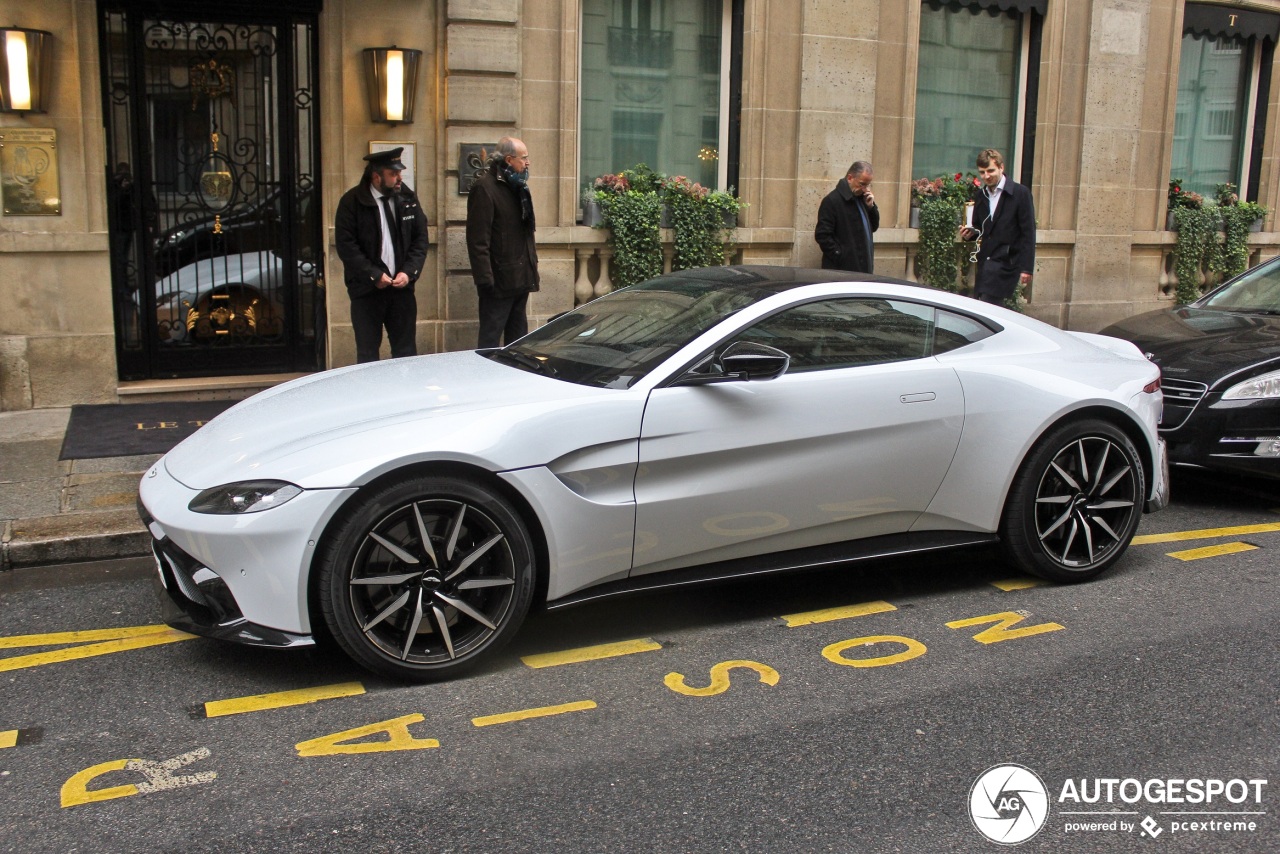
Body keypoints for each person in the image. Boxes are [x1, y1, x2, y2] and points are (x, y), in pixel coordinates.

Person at [334, 147, 429, 362]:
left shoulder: (407, 198)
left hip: (401, 290)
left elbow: (420, 239)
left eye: (400, 173)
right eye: (393, 174)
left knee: (405, 353)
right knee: (368, 354)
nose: (399, 179)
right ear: (376, 177)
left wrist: (409, 272)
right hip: (367, 292)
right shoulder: (351, 203)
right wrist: (373, 275)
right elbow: (347, 246)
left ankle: (404, 393)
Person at [467, 137, 540, 348]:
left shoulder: (519, 188)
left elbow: (524, 233)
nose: (528, 163)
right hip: (498, 283)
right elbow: (478, 239)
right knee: (490, 341)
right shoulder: (485, 188)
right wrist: (485, 280)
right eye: (524, 158)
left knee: (518, 343)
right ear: (509, 159)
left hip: (520, 278)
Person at [960, 148, 1035, 305]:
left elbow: (1028, 233)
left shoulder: (1020, 193)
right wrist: (970, 234)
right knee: (985, 306)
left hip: (1006, 261)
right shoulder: (981, 196)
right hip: (985, 262)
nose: (986, 176)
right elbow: (980, 228)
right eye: (982, 172)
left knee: (990, 305)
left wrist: (1026, 268)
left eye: (990, 170)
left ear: (1001, 167)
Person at [814, 160, 879, 273]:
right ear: (850, 178)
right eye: (862, 184)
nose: (865, 189)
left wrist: (871, 207)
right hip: (842, 270)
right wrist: (841, 255)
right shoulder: (832, 201)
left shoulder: (863, 199)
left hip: (863, 269)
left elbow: (873, 227)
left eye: (867, 185)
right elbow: (822, 235)